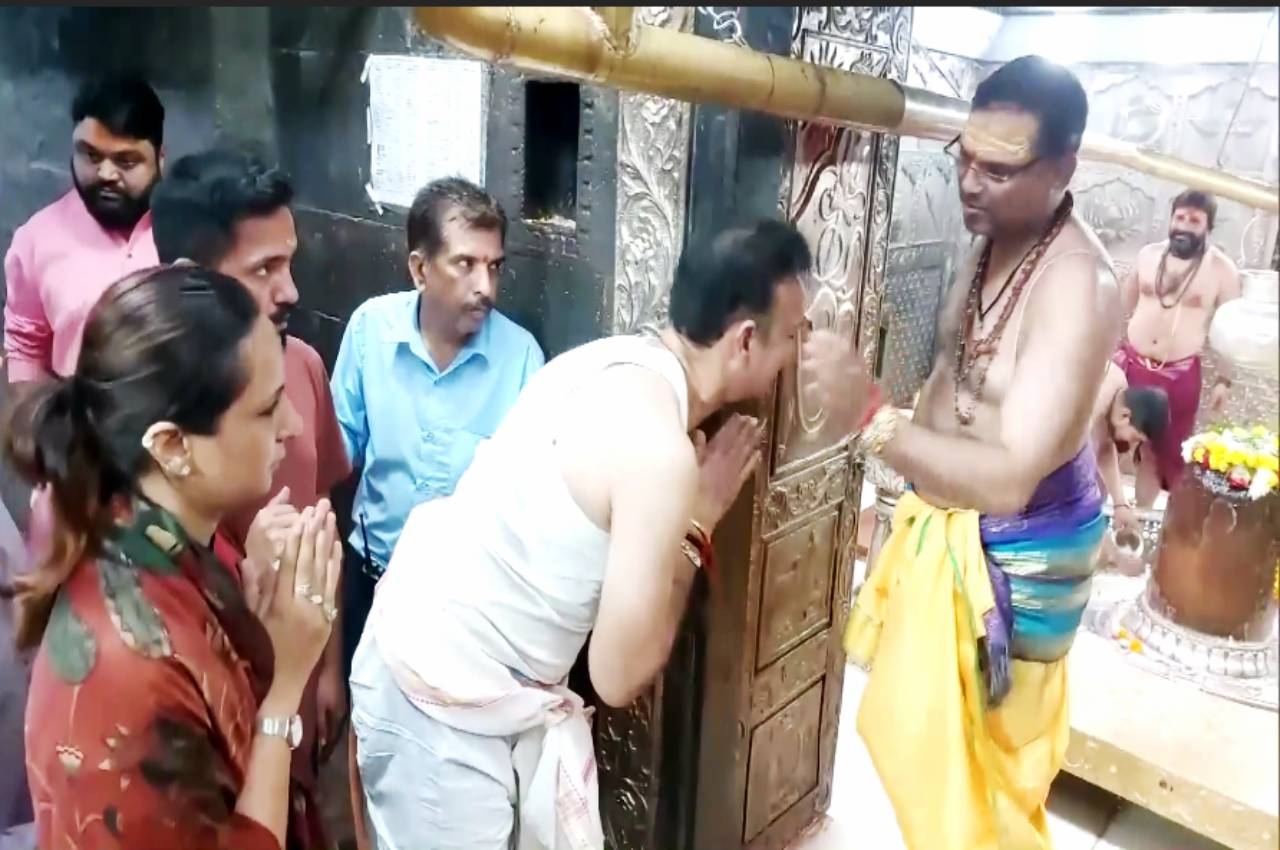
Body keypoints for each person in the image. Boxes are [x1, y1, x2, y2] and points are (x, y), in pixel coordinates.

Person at [349, 220, 809, 849]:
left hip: (434, 650)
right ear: (746, 341)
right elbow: (618, 675)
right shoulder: (660, 451)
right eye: (793, 336)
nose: (797, 356)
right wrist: (697, 523)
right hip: (439, 695)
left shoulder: (609, 358)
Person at [804, 56, 1118, 850]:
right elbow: (959, 382)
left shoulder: (1077, 287)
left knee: (983, 797)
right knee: (926, 762)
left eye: (999, 170)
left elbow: (1010, 481)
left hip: (1018, 563)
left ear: (1063, 168)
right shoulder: (990, 239)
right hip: (951, 529)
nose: (971, 184)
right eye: (964, 158)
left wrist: (870, 418)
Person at [1, 265, 342, 850]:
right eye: (267, 409)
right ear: (171, 445)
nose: (291, 426)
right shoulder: (128, 666)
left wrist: (253, 616)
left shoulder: (169, 535)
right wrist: (288, 681)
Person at [150, 149, 352, 848]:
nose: (290, 290)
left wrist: (322, 670)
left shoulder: (304, 366)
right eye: (263, 269)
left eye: (290, 263)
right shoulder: (150, 411)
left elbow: (326, 512)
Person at [330, 177, 544, 678]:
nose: (485, 287)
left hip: (469, 610)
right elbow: (336, 455)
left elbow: (531, 507)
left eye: (495, 267)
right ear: (420, 269)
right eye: (465, 264)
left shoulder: (520, 359)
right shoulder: (371, 331)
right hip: (370, 583)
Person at [4, 76, 163, 383]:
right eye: (91, 155)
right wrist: (34, 412)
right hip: (75, 412)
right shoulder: (36, 240)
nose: (106, 173)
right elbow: (25, 350)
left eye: (126, 161)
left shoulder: (191, 230)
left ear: (160, 160)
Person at [1116, 190, 1241, 505]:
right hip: (1130, 364)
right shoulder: (1148, 255)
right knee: (1105, 440)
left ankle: (1141, 518)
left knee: (1158, 455)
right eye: (1180, 217)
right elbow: (1122, 304)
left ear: (1208, 227)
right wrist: (1109, 351)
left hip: (1178, 375)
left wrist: (1224, 380)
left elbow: (1232, 330)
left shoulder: (1222, 270)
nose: (1184, 226)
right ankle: (1101, 511)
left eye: (1194, 220)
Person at [1089, 361, 1170, 533]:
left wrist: (1120, 504)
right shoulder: (1097, 403)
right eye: (1134, 438)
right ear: (1125, 415)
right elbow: (1071, 458)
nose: (1132, 446)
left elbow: (1105, 449)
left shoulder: (1120, 395)